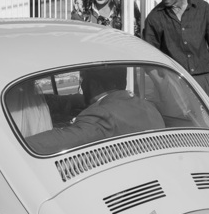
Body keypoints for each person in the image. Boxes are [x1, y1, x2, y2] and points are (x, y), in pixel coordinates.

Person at [141, 0, 209, 107]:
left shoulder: (202, 8)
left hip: (205, 81)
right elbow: (148, 58)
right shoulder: (154, 18)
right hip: (174, 84)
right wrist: (165, 86)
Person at [30, 66, 165, 155]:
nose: (81, 85)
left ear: (94, 84)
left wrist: (13, 144)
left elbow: (53, 143)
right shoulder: (148, 107)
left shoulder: (102, 116)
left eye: (83, 79)